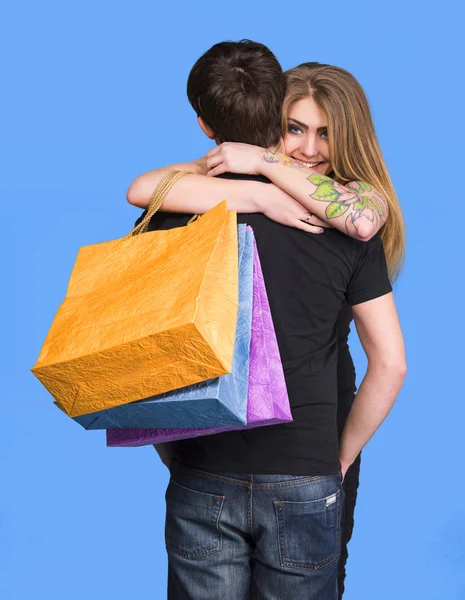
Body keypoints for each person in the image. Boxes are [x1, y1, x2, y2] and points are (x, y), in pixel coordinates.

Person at [128, 41, 406, 600]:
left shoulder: (348, 207)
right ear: (269, 119)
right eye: (294, 129)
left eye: (324, 133)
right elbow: (392, 364)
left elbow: (150, 357)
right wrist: (339, 460)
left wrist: (260, 166)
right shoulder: (307, 218)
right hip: (303, 467)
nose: (307, 149)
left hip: (214, 465)